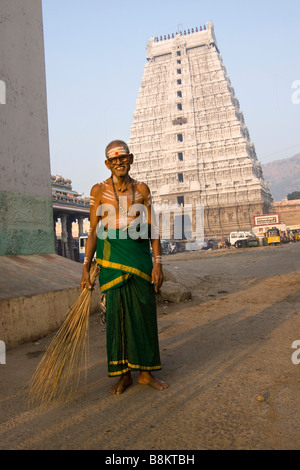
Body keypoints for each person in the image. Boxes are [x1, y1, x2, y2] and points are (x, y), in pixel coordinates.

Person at [80, 140, 168, 395]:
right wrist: (86, 267)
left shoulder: (141, 189)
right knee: (116, 321)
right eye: (113, 160)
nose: (119, 162)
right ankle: (123, 375)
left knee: (144, 316)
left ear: (131, 159)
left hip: (140, 261)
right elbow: (94, 231)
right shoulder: (98, 191)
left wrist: (158, 263)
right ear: (107, 164)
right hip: (110, 263)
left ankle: (146, 374)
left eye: (123, 158)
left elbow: (152, 229)